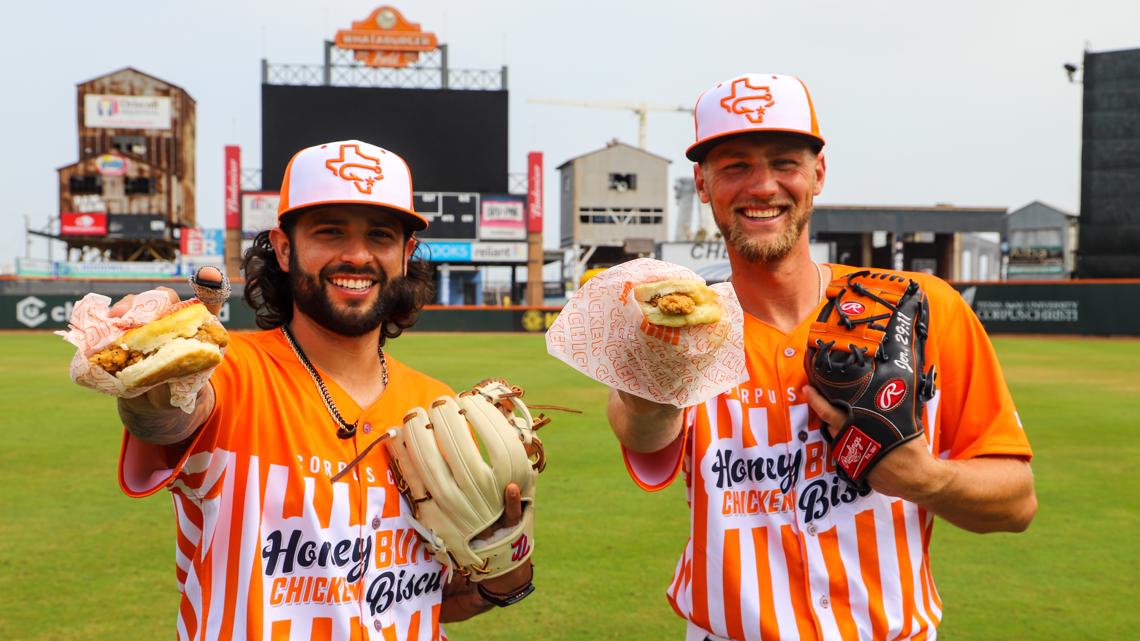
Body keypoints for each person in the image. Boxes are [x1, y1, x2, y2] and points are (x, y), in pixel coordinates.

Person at [607, 74, 1037, 641]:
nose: (762, 186)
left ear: (818, 175)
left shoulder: (923, 309)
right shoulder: (682, 327)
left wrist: (924, 478)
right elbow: (641, 430)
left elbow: (1016, 501)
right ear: (703, 184)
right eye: (735, 165)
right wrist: (649, 380)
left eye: (785, 162)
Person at [110, 140, 534, 640]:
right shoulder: (229, 372)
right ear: (285, 248)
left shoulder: (435, 409)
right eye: (329, 232)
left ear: (406, 254)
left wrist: (505, 566)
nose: (356, 255)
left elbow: (421, 600)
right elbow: (165, 419)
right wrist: (157, 388)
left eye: (380, 235)